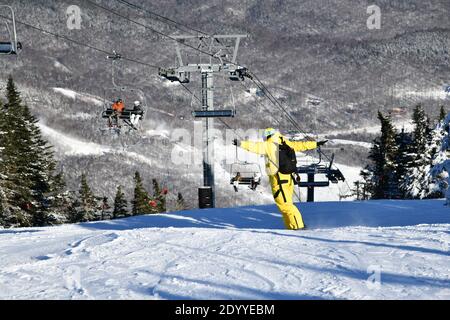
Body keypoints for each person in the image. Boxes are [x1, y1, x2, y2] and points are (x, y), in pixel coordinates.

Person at [233, 128, 327, 230]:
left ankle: (299, 227)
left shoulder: (268, 145)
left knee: (285, 206)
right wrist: (315, 144)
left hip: (278, 180)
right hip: (289, 178)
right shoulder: (285, 142)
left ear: (267, 136)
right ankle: (291, 227)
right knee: (285, 206)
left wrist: (240, 143)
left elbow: (254, 146)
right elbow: (301, 145)